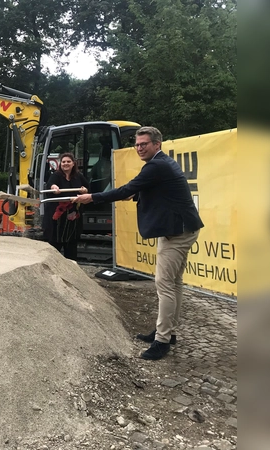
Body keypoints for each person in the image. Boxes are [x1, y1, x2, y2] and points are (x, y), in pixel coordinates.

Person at [73, 126, 204, 360]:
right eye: (137, 144)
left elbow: (129, 188)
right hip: (179, 228)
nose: (139, 148)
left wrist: (91, 197)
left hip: (178, 231)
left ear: (157, 144)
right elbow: (152, 192)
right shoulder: (161, 164)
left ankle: (162, 341)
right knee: (174, 283)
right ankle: (168, 331)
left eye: (144, 144)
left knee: (165, 284)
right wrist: (135, 195)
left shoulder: (156, 165)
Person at [42, 153, 89, 260]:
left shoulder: (78, 176)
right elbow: (50, 185)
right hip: (57, 220)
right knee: (54, 247)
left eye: (68, 161)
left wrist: (84, 190)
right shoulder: (56, 175)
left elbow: (87, 188)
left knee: (71, 247)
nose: (65, 164)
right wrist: (54, 187)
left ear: (73, 164)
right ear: (60, 164)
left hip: (72, 219)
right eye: (63, 162)